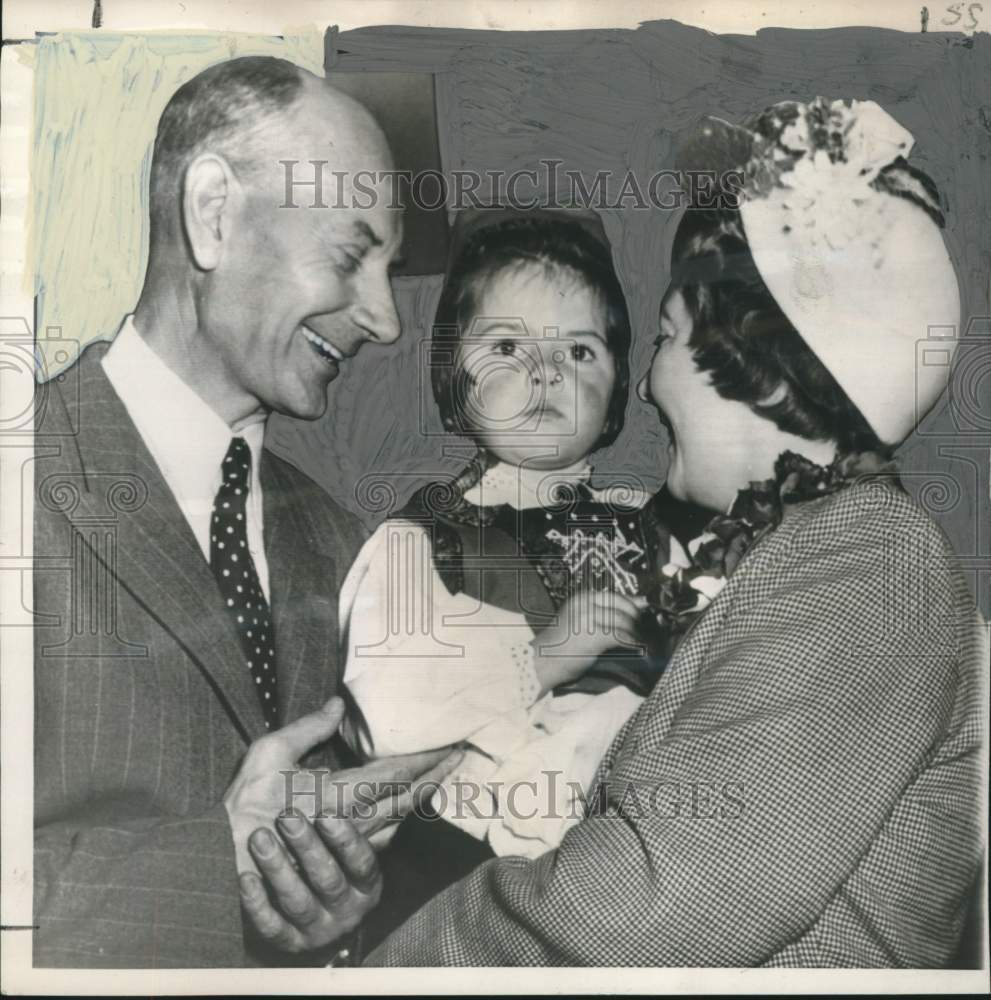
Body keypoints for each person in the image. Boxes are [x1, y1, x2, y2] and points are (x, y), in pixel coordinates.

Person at [362, 97, 987, 967]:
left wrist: (378, 971)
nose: (649, 389)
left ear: (742, 352)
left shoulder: (870, 563)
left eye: (661, 339)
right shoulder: (808, 553)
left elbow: (643, 908)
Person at [32, 55, 459, 968]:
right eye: (351, 256)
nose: (384, 321)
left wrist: (346, 893)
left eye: (390, 271)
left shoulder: (354, 542)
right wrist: (213, 872)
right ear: (213, 215)